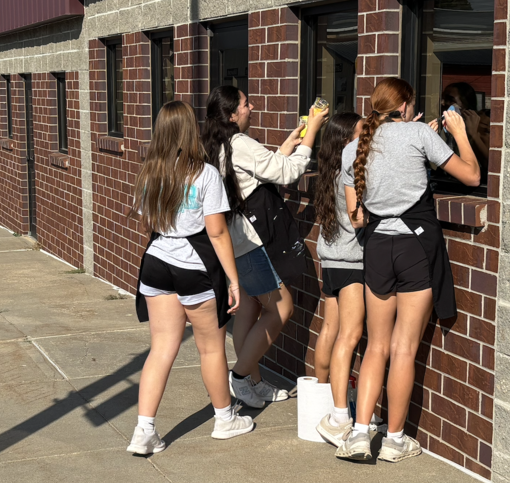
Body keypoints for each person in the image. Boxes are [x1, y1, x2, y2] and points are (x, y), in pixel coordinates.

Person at [338, 77, 480, 462]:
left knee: (376, 346)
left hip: (378, 249)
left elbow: (356, 219)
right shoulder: (418, 133)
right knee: (403, 349)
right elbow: (472, 176)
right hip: (416, 247)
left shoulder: (353, 148)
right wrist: (459, 133)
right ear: (405, 107)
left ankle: (358, 433)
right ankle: (395, 440)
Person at [127, 100, 253, 455]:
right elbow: (217, 233)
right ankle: (225, 419)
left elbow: (147, 223)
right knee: (210, 347)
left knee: (161, 348)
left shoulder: (149, 171)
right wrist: (233, 280)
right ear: (188, 130)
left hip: (156, 262)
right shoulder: (205, 174)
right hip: (194, 265)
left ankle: (144, 431)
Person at [200, 85, 327, 409]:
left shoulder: (215, 145)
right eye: (245, 104)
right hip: (252, 242)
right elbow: (287, 173)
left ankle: (253, 383)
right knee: (282, 309)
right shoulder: (239, 143)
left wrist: (287, 144)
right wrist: (312, 132)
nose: (252, 107)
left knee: (249, 311)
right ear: (232, 114)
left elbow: (259, 171)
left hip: (235, 242)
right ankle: (241, 378)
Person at [311, 112, 366, 447]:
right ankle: (337, 412)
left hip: (330, 259)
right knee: (350, 334)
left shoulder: (327, 171)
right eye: (361, 134)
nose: (366, 139)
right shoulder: (350, 176)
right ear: (347, 140)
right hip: (351, 263)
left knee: (329, 330)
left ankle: (320, 400)